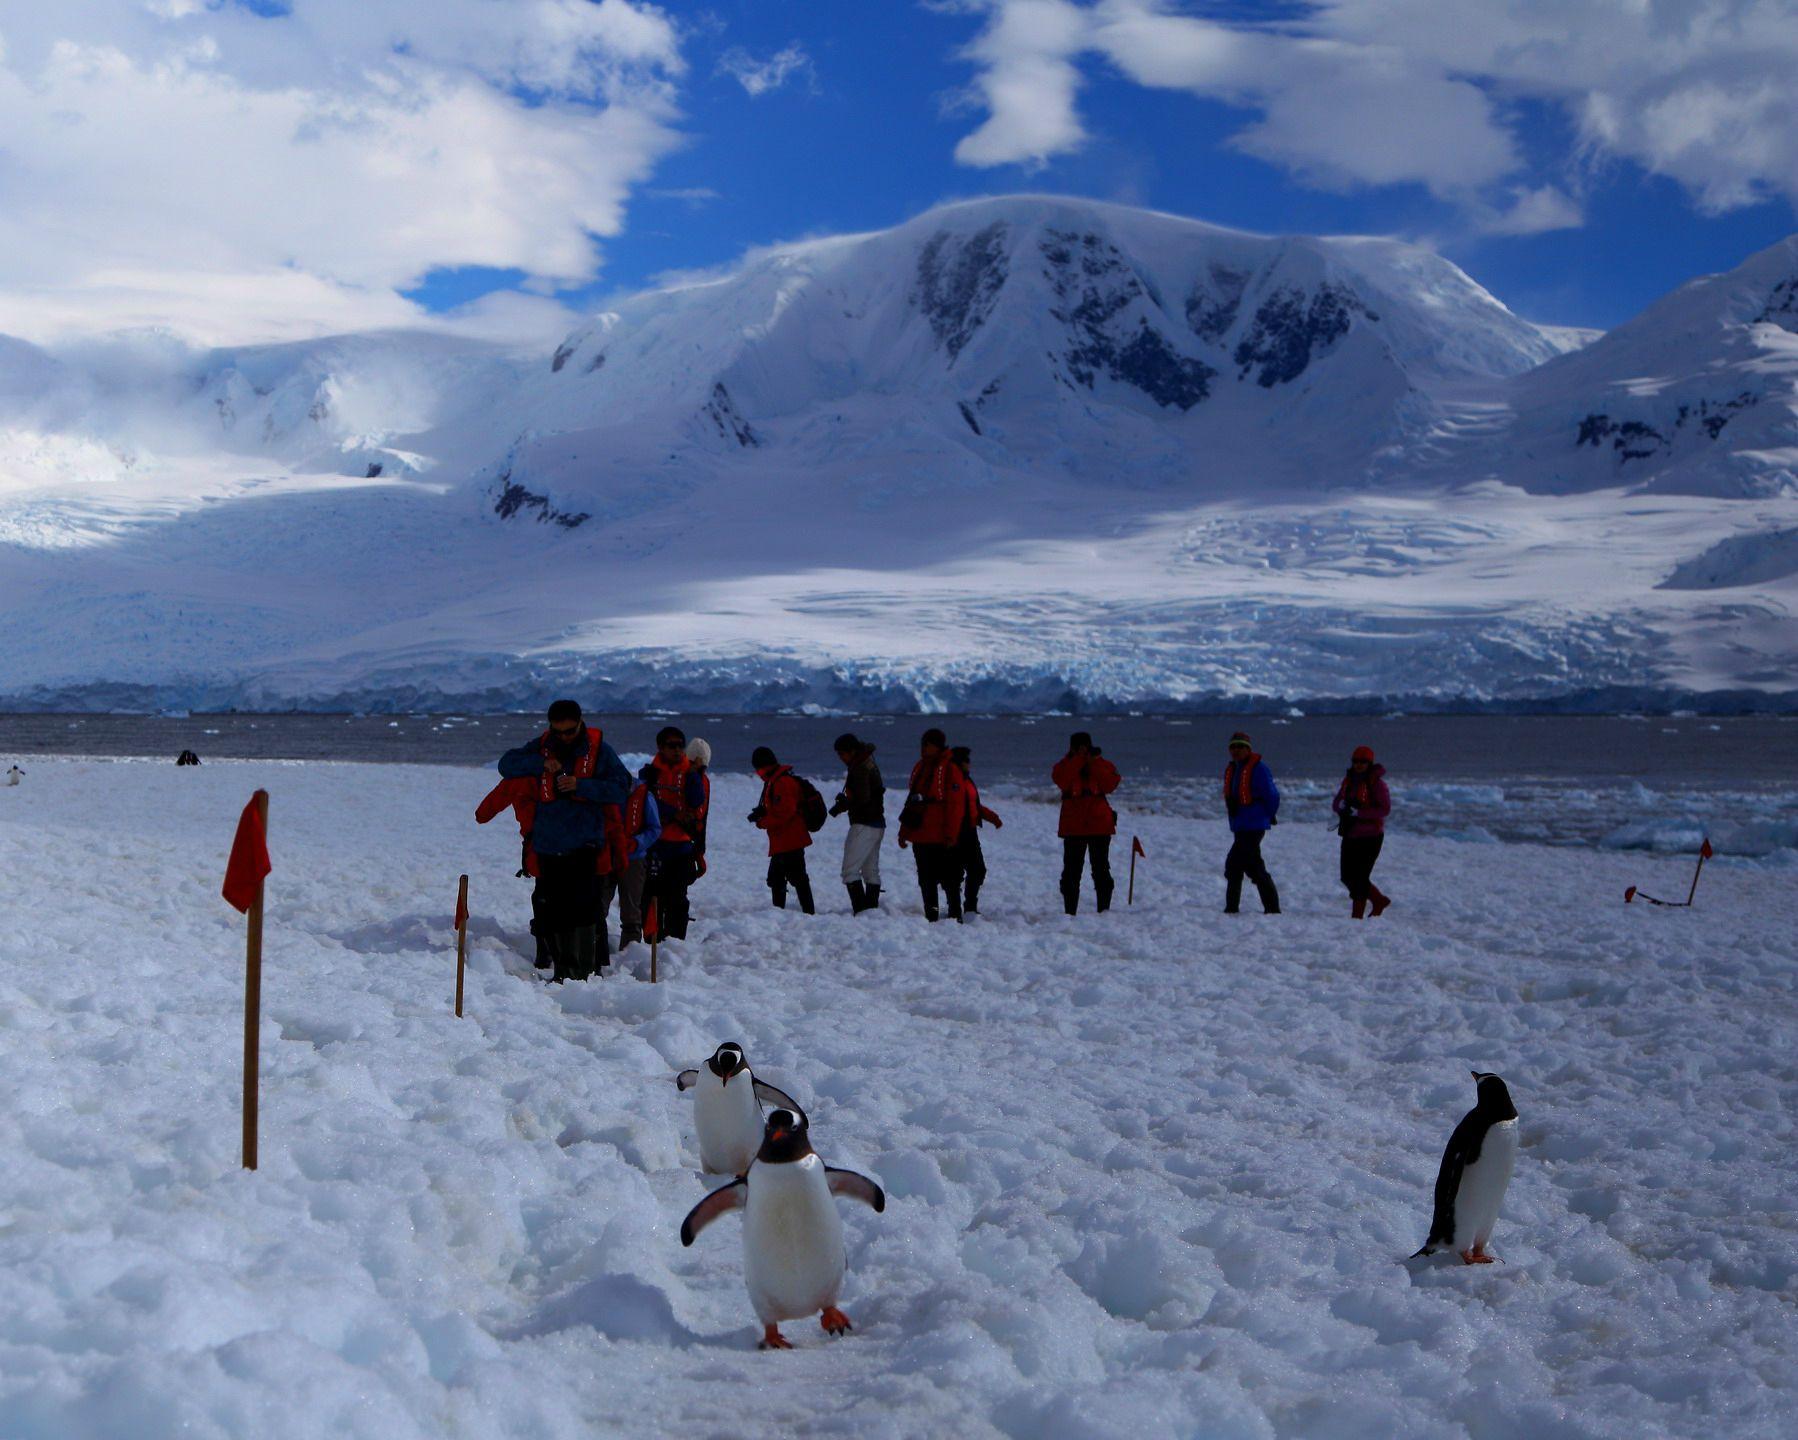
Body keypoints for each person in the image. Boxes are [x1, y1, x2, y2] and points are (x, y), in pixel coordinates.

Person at [496, 700, 630, 981]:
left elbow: (621, 787)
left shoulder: (600, 752)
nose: (564, 737)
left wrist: (582, 786)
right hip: (548, 846)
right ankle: (562, 972)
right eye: (558, 732)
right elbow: (506, 764)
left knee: (582, 911)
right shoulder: (542, 746)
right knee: (552, 911)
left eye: (569, 731)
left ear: (580, 723)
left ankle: (582, 973)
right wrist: (539, 762)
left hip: (584, 846)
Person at [642, 726, 707, 941]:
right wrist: (673, 813)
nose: (677, 750)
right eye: (672, 746)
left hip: (681, 846)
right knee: (651, 896)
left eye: (680, 745)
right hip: (655, 845)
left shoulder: (689, 774)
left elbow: (697, 801)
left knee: (677, 897)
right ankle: (653, 940)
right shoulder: (650, 774)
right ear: (661, 748)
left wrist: (694, 775)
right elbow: (644, 803)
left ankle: (676, 942)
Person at [897, 728, 966, 922]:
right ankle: (932, 914)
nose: (924, 748)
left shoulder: (950, 769)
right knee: (926, 880)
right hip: (921, 834)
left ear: (937, 746)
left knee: (950, 879)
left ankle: (954, 914)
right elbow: (912, 804)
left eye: (927, 744)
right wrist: (904, 832)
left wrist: (952, 834)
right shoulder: (921, 767)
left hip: (942, 836)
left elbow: (955, 806)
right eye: (923, 744)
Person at [1051, 732, 1119, 914]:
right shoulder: (1064, 766)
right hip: (1074, 827)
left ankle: (1104, 910)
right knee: (1072, 872)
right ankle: (1070, 911)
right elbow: (1062, 780)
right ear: (1072, 748)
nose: (1083, 750)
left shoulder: (1100, 764)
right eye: (1079, 747)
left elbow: (1110, 784)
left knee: (1101, 870)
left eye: (1085, 747)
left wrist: (1093, 761)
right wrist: (1079, 759)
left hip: (1099, 825)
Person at [602, 766, 663, 949]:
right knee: (598, 906)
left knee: (631, 910)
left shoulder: (644, 796)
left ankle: (630, 953)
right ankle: (597, 951)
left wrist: (636, 842)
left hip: (633, 858)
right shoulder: (603, 794)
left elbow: (655, 829)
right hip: (606, 856)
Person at [1222, 730, 1280, 914]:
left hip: (1253, 825)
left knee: (1242, 865)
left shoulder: (1259, 769)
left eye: (1240, 747)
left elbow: (1272, 795)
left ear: (1248, 749)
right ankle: (1234, 908)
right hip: (1240, 825)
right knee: (1243, 865)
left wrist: (1269, 814)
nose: (1236, 750)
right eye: (1233, 746)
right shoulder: (1235, 768)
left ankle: (1269, 909)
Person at [751, 746, 815, 913]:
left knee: (795, 878)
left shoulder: (782, 782)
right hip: (785, 840)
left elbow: (785, 812)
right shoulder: (777, 780)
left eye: (758, 769)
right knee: (778, 877)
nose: (758, 774)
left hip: (790, 839)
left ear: (763, 767)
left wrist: (762, 822)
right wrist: (762, 813)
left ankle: (805, 912)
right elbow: (780, 808)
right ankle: (782, 911)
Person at [1332, 745, 1392, 918]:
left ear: (1370, 763)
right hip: (1350, 834)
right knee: (1347, 876)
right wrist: (1341, 806)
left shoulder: (1378, 784)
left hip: (1371, 837)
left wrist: (1360, 813)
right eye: (1355, 761)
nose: (1358, 765)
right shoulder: (1349, 781)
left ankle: (1357, 917)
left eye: (1363, 762)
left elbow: (1385, 809)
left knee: (1359, 877)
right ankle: (1379, 899)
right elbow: (1336, 802)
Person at [830, 733, 885, 913]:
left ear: (852, 751)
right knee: (871, 871)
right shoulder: (866, 761)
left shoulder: (860, 767)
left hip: (864, 823)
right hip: (876, 823)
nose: (841, 758)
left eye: (842, 754)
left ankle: (861, 910)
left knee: (850, 871)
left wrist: (846, 802)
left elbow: (862, 798)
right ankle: (871, 911)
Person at [950, 745, 1003, 916]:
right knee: (958, 872)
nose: (969, 764)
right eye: (966, 760)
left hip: (970, 831)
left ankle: (969, 905)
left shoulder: (967, 780)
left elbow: (974, 805)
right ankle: (958, 907)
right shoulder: (953, 781)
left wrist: (992, 817)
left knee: (977, 870)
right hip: (957, 832)